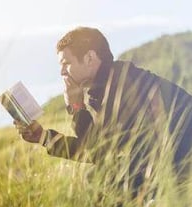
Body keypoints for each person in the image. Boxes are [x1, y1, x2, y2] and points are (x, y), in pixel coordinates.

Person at [14, 27, 192, 191]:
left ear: (90, 58)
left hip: (181, 165)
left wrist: (76, 107)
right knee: (102, 176)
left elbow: (98, 151)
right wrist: (43, 137)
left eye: (66, 63)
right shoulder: (101, 88)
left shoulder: (124, 84)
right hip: (166, 163)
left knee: (101, 178)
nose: (62, 72)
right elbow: (96, 147)